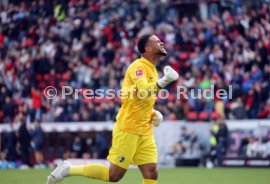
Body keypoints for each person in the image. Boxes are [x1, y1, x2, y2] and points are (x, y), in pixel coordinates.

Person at [46, 34, 179, 184]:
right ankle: (68, 169)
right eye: (157, 41)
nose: (161, 42)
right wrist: (165, 81)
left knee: (151, 173)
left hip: (144, 130)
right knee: (114, 175)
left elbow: (137, 99)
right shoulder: (138, 66)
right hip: (128, 128)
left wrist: (154, 113)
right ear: (148, 48)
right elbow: (143, 90)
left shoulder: (152, 70)